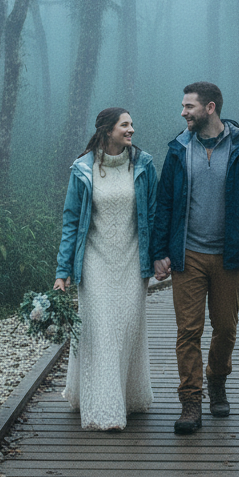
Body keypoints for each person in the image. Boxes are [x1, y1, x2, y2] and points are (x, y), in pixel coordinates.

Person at [151, 81, 239, 434]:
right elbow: (165, 204)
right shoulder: (177, 150)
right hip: (187, 255)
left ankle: (217, 380)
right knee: (188, 331)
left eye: (189, 106)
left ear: (210, 108)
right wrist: (160, 252)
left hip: (228, 255)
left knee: (226, 328)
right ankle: (191, 401)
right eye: (183, 106)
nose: (183, 112)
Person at [55, 107, 158, 431]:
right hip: (95, 263)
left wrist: (159, 257)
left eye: (131, 123)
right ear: (108, 130)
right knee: (100, 334)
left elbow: (154, 217)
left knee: (126, 332)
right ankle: (105, 410)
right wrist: (63, 271)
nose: (131, 129)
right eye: (125, 125)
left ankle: (128, 397)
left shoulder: (144, 165)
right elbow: (71, 222)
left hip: (131, 262)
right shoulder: (83, 169)